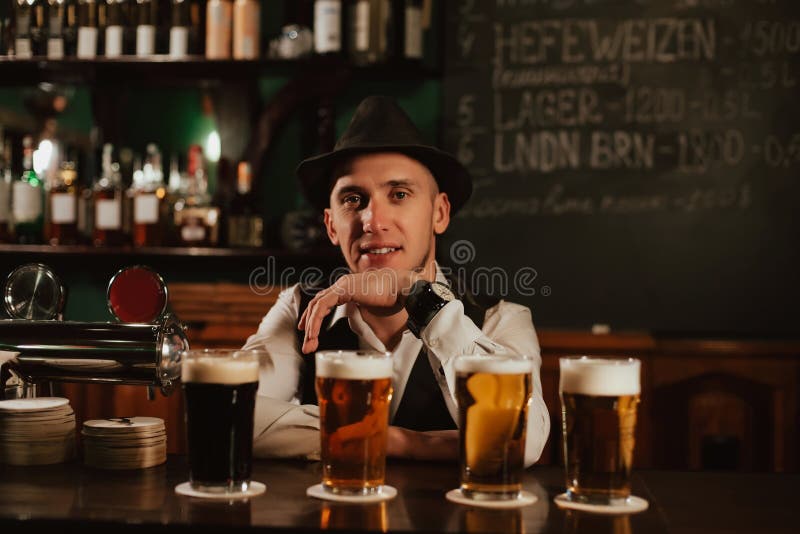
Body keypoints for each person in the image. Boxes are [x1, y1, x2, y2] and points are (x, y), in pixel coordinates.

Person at [243, 96, 549, 465]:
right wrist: (406, 442)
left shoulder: (502, 318)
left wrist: (418, 296)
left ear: (439, 213)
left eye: (399, 194)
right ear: (331, 226)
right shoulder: (298, 308)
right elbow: (231, 413)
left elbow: (522, 438)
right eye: (354, 199)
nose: (373, 221)